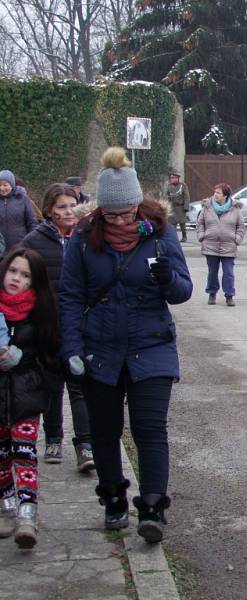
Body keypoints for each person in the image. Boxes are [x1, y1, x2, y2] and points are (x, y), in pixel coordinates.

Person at [59, 147, 192, 543]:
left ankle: (152, 508)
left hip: (151, 346)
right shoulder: (85, 238)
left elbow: (183, 292)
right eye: (112, 214)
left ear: (138, 204)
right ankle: (114, 497)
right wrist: (70, 348)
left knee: (151, 429)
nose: (120, 220)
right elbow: (69, 296)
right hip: (100, 349)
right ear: (100, 210)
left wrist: (168, 278)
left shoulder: (161, 232)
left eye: (126, 212)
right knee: (104, 431)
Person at [21, 183, 94, 472]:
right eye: (61, 206)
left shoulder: (88, 239)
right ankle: (53, 438)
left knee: (79, 387)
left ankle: (85, 445)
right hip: (48, 326)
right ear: (49, 210)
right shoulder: (34, 241)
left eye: (72, 205)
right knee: (52, 387)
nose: (67, 212)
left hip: (79, 326)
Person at [0, 247, 61, 549]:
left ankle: (28, 513)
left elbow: (50, 357)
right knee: (0, 455)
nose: (16, 279)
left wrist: (23, 360)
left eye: (24, 275)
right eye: (13, 271)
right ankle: (7, 504)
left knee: (24, 451)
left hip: (26, 393)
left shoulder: (41, 312)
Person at [197, 183, 245, 307]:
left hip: (229, 245)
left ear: (225, 195)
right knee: (212, 272)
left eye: (218, 192)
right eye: (215, 192)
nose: (215, 194)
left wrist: (237, 239)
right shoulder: (207, 207)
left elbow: (241, 226)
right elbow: (200, 223)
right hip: (210, 244)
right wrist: (201, 235)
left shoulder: (235, 208)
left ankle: (229, 295)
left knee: (228, 273)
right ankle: (212, 293)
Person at [0, 170, 37, 249]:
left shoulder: (23, 199)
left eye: (5, 185)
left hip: (20, 246)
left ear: (12, 185)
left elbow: (32, 222)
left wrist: (31, 242)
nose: (2, 188)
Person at [166, 172, 191, 243]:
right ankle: (173, 237)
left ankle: (184, 236)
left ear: (177, 178)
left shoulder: (183, 186)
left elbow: (187, 197)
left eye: (173, 178)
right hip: (172, 207)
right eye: (171, 178)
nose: (172, 179)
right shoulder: (169, 186)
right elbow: (167, 195)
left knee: (182, 223)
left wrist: (186, 207)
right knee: (171, 223)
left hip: (180, 207)